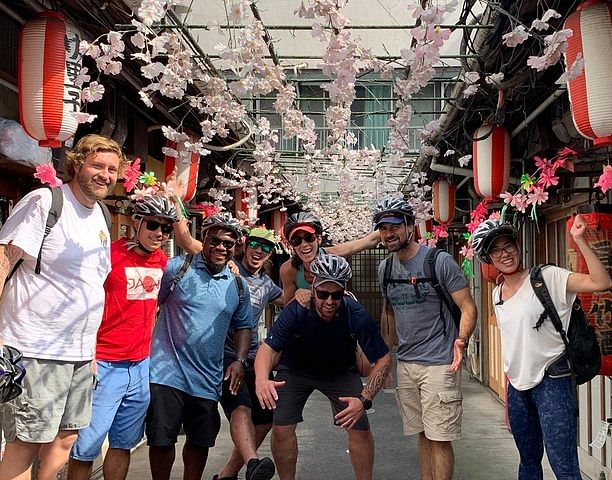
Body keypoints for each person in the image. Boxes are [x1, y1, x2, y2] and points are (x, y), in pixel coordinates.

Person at [0, 134, 125, 480]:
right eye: (97, 165)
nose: (105, 175)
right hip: (35, 349)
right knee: (26, 443)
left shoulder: (102, 216)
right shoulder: (45, 202)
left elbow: (90, 286)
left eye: (112, 169)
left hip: (77, 354)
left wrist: (90, 351)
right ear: (77, 164)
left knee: (66, 438)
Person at [471, 216, 611, 480]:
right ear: (488, 259)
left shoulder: (547, 277)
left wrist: (579, 240)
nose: (505, 254)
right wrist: (508, 387)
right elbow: (513, 344)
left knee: (564, 465)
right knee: (528, 462)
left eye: (508, 245)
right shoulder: (496, 294)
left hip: (553, 381)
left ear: (517, 245)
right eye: (496, 250)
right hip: (517, 387)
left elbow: (600, 282)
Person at [146, 214, 275, 480]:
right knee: (161, 440)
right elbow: (149, 306)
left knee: (200, 441)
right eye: (214, 240)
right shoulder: (177, 268)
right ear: (203, 239)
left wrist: (239, 360)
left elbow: (243, 326)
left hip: (207, 376)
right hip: (165, 371)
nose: (220, 247)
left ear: (235, 247)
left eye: (227, 243)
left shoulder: (237, 284)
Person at [67, 195, 178, 480]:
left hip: (141, 365)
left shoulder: (163, 261)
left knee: (123, 443)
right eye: (153, 225)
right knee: (86, 446)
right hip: (104, 362)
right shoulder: (109, 255)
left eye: (166, 229)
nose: (159, 234)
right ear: (137, 222)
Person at [255, 253, 391, 480]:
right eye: (323, 294)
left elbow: (384, 359)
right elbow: (267, 349)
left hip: (339, 371)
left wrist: (364, 399)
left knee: (359, 425)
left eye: (336, 295)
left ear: (344, 293)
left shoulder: (354, 312)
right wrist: (261, 379)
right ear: (313, 287)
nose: (329, 301)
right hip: (296, 369)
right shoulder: (296, 309)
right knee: (281, 425)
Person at [373, 195, 477, 480]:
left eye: (394, 226)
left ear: (410, 226)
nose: (388, 233)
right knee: (421, 433)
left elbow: (468, 306)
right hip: (406, 363)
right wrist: (386, 359)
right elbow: (390, 313)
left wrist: (462, 340)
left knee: (440, 436)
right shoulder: (385, 269)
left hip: (439, 362)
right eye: (382, 228)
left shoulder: (437, 261)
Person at [174, 224, 285, 480]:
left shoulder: (267, 284)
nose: (259, 251)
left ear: (270, 254)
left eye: (266, 247)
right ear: (245, 245)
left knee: (265, 418)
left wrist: (311, 292)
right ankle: (253, 462)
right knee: (240, 406)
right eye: (255, 244)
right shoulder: (228, 268)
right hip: (222, 353)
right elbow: (190, 242)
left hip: (253, 358)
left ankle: (227, 474)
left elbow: (287, 300)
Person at [279, 212, 380, 304]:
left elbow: (371, 240)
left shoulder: (334, 254)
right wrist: (298, 294)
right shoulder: (288, 270)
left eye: (308, 237)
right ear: (292, 245)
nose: (304, 244)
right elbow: (288, 308)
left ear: (318, 238)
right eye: (297, 240)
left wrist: (389, 226)